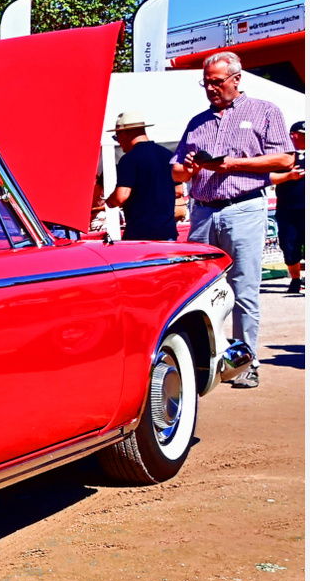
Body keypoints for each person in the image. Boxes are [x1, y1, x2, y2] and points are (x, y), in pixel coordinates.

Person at [171, 51, 295, 388]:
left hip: (244, 208)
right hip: (203, 211)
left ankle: (245, 361)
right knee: (195, 287)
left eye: (217, 81)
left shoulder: (265, 111)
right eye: (206, 82)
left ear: (236, 79)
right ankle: (200, 361)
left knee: (243, 287)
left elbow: (285, 158)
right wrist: (190, 169)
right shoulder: (197, 122)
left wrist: (230, 165)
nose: (210, 88)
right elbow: (177, 171)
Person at [104, 112, 177, 241]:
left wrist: (109, 201)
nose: (119, 143)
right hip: (168, 233)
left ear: (125, 133)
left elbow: (121, 196)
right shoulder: (167, 154)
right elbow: (179, 190)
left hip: (141, 235)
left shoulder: (129, 159)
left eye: (117, 137)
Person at [270, 121, 306, 295]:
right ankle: (296, 279)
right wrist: (289, 176)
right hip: (288, 210)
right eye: (302, 133)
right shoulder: (283, 156)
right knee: (289, 247)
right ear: (293, 134)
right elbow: (269, 178)